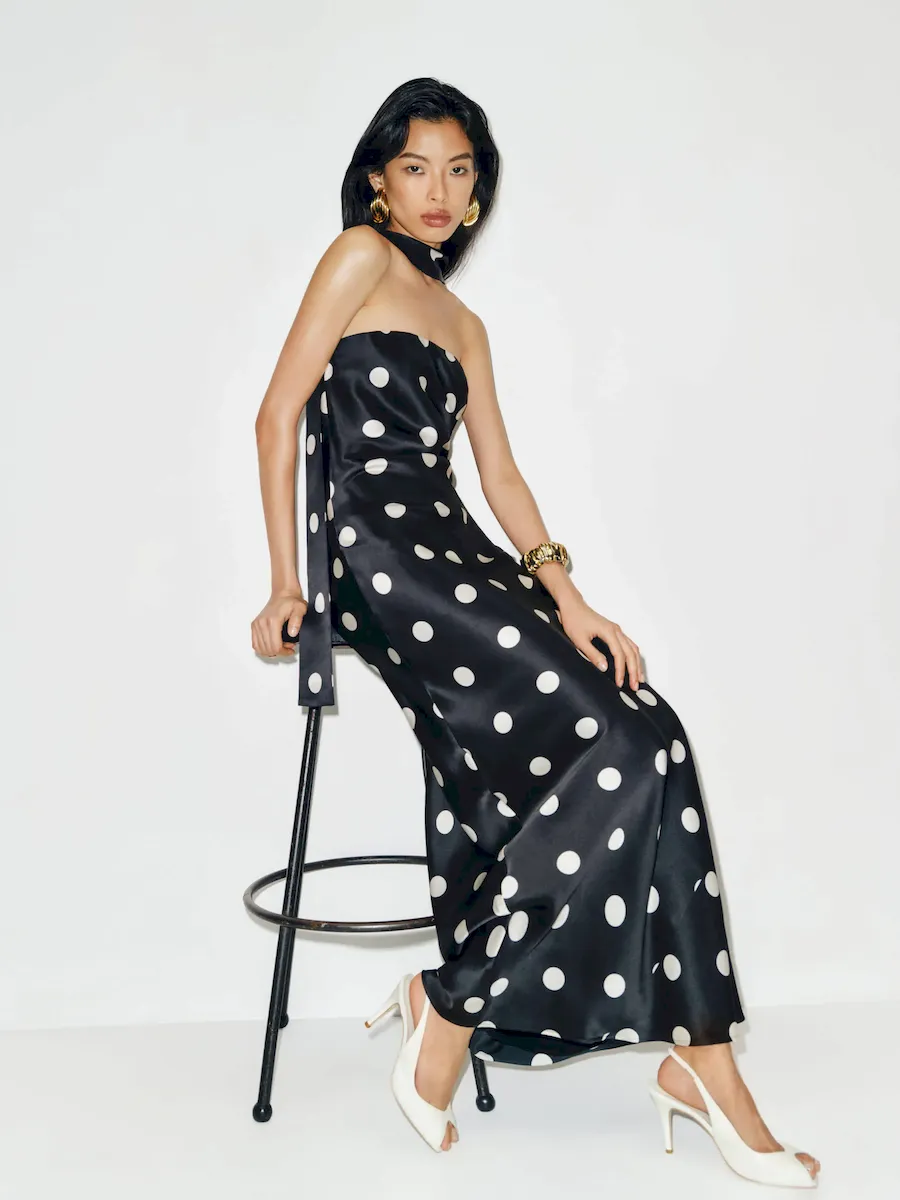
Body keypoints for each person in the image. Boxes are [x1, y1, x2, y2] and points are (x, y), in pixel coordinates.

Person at [251, 77, 820, 1184]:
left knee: (649, 738)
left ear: (477, 194)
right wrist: (287, 582)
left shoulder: (465, 324)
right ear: (378, 180)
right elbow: (278, 415)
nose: (437, 190)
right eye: (416, 167)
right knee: (618, 748)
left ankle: (697, 1059)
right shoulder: (356, 258)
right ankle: (458, 1006)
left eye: (459, 171)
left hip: (458, 550)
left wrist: (569, 597)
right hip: (377, 557)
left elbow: (499, 475)